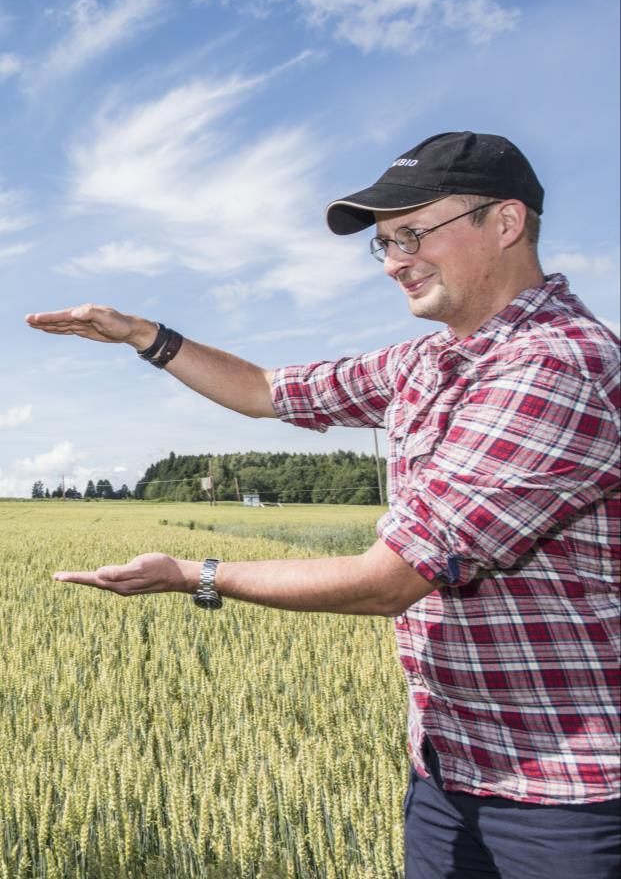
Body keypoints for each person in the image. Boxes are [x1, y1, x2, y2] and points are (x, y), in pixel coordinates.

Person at [26, 131, 620, 878]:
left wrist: (192, 574)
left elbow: (390, 579)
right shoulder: (428, 360)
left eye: (412, 233)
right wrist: (145, 336)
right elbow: (265, 391)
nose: (396, 260)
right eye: (384, 244)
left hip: (563, 792)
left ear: (503, 224)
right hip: (449, 766)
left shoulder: (554, 365)